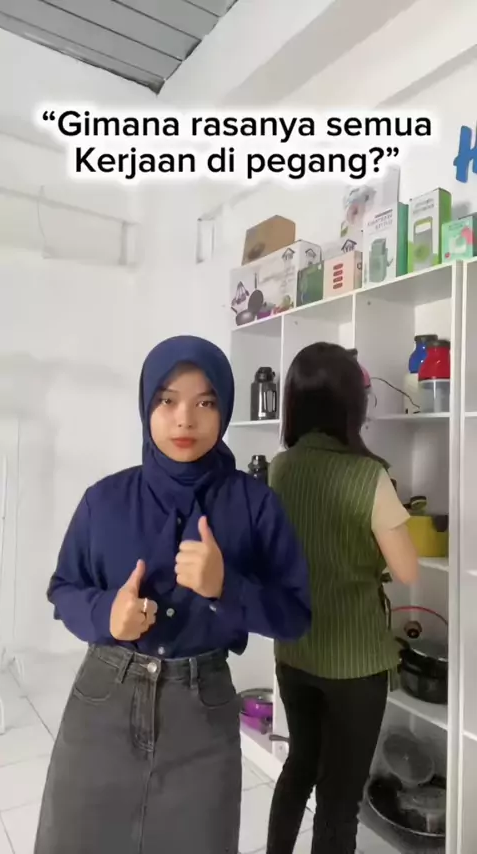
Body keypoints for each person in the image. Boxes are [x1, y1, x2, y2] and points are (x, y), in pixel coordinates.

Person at [34, 335, 311, 854]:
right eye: (167, 400)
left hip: (202, 714)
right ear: (147, 406)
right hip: (104, 703)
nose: (185, 420)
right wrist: (106, 615)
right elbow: (63, 588)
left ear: (224, 409)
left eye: (205, 402)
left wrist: (228, 588)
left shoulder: (254, 505)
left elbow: (295, 615)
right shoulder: (104, 501)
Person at [266, 342, 418, 854]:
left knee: (299, 766)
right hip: (355, 663)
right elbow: (407, 569)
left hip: (295, 650)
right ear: (352, 404)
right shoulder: (369, 476)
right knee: (338, 800)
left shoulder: (280, 469)